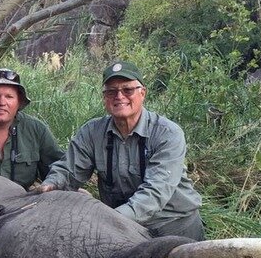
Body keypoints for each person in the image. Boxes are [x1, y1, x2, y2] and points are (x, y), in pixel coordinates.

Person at [34, 61, 205, 240]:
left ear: (143, 93)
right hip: (121, 229)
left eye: (127, 90)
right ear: (104, 97)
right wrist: (51, 184)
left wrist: (104, 222)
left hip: (173, 225)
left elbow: (155, 193)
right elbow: (68, 172)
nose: (119, 96)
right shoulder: (92, 132)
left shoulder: (167, 133)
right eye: (111, 91)